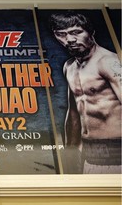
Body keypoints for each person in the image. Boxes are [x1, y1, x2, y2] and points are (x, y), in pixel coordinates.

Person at [49, 12, 121, 174]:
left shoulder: (108, 62)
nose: (70, 40)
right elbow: (74, 113)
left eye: (76, 32)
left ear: (91, 32)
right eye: (61, 34)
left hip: (117, 155)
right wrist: (70, 155)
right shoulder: (70, 66)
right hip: (91, 158)